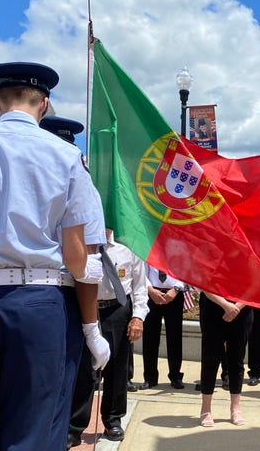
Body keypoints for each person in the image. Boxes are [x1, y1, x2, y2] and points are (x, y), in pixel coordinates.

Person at [0, 62, 106, 451]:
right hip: (37, 302)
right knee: (32, 433)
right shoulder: (66, 157)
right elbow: (76, 253)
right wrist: (92, 320)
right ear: (44, 104)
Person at [39, 114, 110, 450]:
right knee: (52, 401)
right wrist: (92, 328)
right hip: (58, 298)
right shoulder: (76, 176)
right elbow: (85, 260)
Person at [67, 229, 149, 444]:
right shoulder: (79, 244)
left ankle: (113, 421)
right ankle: (74, 426)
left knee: (117, 368)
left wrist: (138, 317)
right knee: (84, 369)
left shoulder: (128, 246)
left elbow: (139, 287)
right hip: (85, 309)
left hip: (116, 309)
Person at [198, 291, 253, 427]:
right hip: (213, 306)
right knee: (210, 359)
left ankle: (235, 407)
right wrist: (225, 305)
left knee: (237, 360)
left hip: (242, 310)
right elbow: (206, 283)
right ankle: (206, 408)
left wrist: (237, 307)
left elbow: (255, 284)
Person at [141, 265, 186, 389]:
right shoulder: (148, 247)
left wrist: (176, 289)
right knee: (150, 337)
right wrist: (150, 290)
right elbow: (142, 271)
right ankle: (150, 377)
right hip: (152, 294)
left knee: (175, 337)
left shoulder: (179, 246)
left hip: (174, 294)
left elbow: (186, 268)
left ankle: (175, 376)